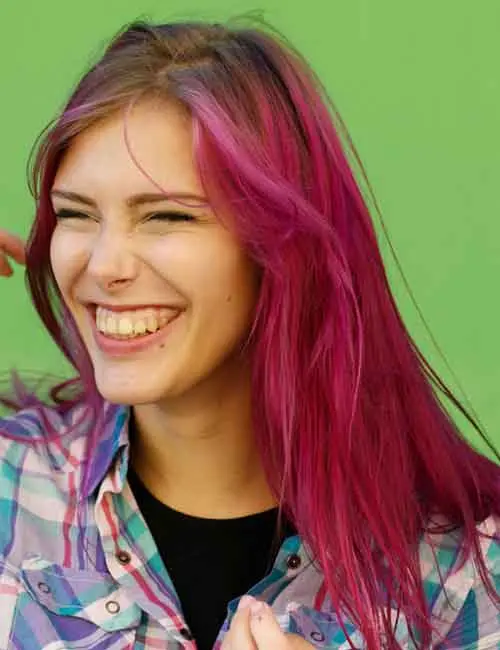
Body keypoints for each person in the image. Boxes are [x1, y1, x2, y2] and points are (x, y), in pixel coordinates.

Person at [0, 17, 498, 650]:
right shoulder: (10, 493)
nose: (102, 266)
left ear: (282, 247)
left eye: (166, 216)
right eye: (76, 214)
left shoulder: (459, 574)